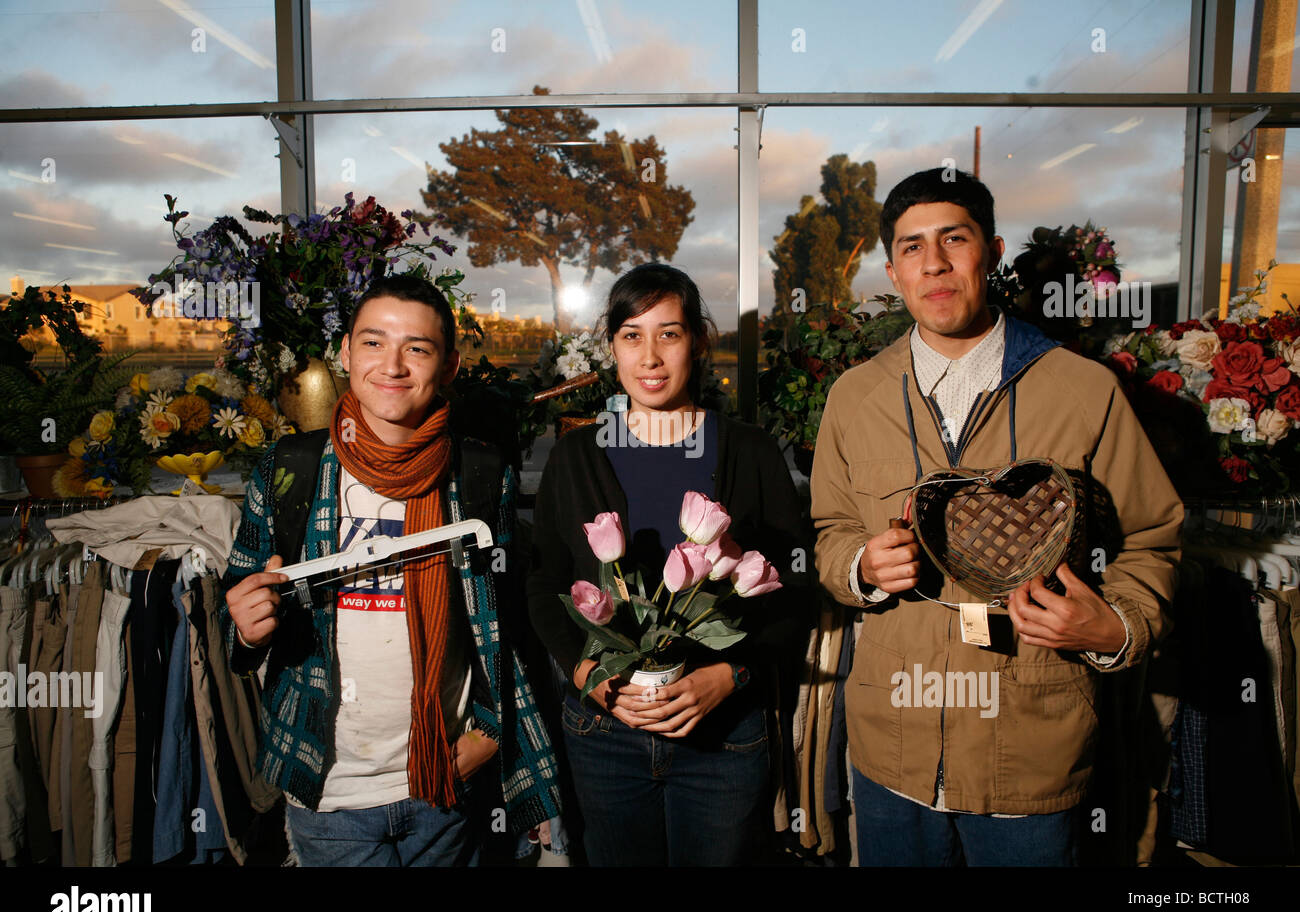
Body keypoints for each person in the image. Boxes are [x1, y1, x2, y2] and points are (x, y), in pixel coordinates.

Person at [810, 168, 1181, 866]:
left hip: (1032, 755)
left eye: (955, 239)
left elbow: (1152, 538)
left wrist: (1115, 625)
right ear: (893, 270)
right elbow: (829, 531)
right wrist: (859, 565)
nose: (936, 263)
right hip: (891, 750)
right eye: (913, 247)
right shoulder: (853, 399)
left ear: (993, 250)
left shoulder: (1083, 390)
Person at [219, 272, 560, 866]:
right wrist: (247, 627)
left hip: (443, 786)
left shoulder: (480, 473)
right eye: (374, 343)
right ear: (345, 352)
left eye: (418, 348)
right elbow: (234, 616)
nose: (393, 365)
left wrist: (488, 730)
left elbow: (505, 627)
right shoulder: (290, 468)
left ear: (449, 365)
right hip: (328, 790)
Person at [526, 263, 810, 866]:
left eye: (669, 334)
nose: (650, 356)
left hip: (724, 739)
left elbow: (795, 586)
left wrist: (731, 675)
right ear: (611, 347)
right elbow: (543, 585)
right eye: (632, 335)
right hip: (604, 737)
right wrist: (586, 677)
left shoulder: (749, 451)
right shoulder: (577, 455)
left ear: (699, 340)